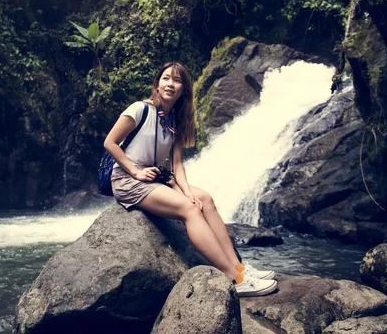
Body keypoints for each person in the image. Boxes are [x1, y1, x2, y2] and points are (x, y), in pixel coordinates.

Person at [103, 62, 277, 297]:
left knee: (203, 199)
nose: (170, 84)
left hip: (154, 179)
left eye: (176, 80)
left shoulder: (175, 121)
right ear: (157, 84)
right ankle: (233, 278)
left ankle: (239, 267)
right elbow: (110, 143)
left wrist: (187, 190)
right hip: (128, 180)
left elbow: (177, 165)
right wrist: (135, 171)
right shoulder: (139, 109)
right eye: (165, 79)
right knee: (189, 209)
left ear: (184, 88)